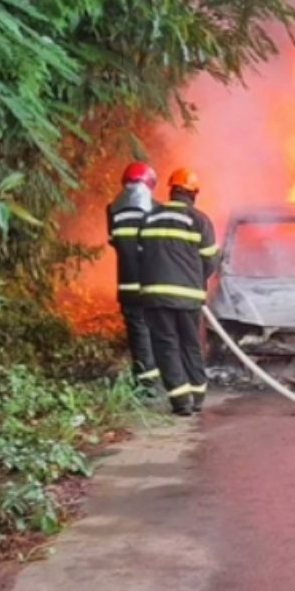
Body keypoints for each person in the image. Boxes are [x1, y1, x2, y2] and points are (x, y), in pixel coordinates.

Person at [138, 168, 219, 416]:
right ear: (193, 193)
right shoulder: (199, 220)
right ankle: (197, 396)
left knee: (166, 345)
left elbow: (142, 256)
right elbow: (210, 260)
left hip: (155, 296)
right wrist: (195, 280)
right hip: (188, 297)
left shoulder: (150, 218)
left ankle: (180, 401)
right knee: (190, 343)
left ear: (171, 190)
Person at [108, 162, 159, 387]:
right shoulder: (157, 209)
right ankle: (158, 381)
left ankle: (145, 381)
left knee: (138, 334)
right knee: (159, 330)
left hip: (127, 285)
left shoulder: (112, 210)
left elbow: (115, 242)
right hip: (154, 283)